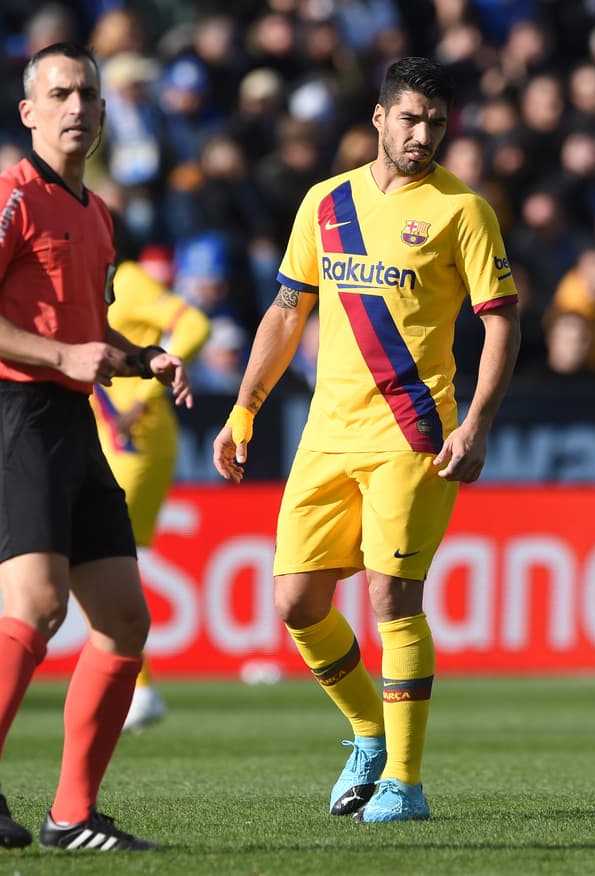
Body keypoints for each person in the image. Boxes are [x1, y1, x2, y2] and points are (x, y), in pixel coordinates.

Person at [212, 57, 520, 823]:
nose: (423, 135)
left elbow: (501, 321)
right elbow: (287, 312)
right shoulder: (326, 202)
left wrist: (478, 422)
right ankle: (369, 734)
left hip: (412, 434)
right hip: (326, 435)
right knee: (295, 602)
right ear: (379, 118)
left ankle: (405, 785)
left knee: (392, 596)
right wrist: (244, 409)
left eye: (436, 123)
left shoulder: (463, 210)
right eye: (410, 118)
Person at [0, 41, 192, 852]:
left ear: (105, 111)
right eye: (59, 93)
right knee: (39, 605)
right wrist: (63, 356)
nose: (75, 106)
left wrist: (141, 358)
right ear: (29, 111)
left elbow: (86, 334)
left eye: (86, 94)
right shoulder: (6, 196)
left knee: (123, 620)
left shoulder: (97, 214)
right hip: (13, 410)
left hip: (72, 417)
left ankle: (73, 816)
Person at [91, 258, 211, 732]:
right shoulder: (92, 282)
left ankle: (136, 689)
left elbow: (195, 325)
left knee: (100, 560)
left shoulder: (128, 280)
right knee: (103, 563)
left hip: (134, 442)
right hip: (119, 441)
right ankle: (132, 686)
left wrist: (145, 397)